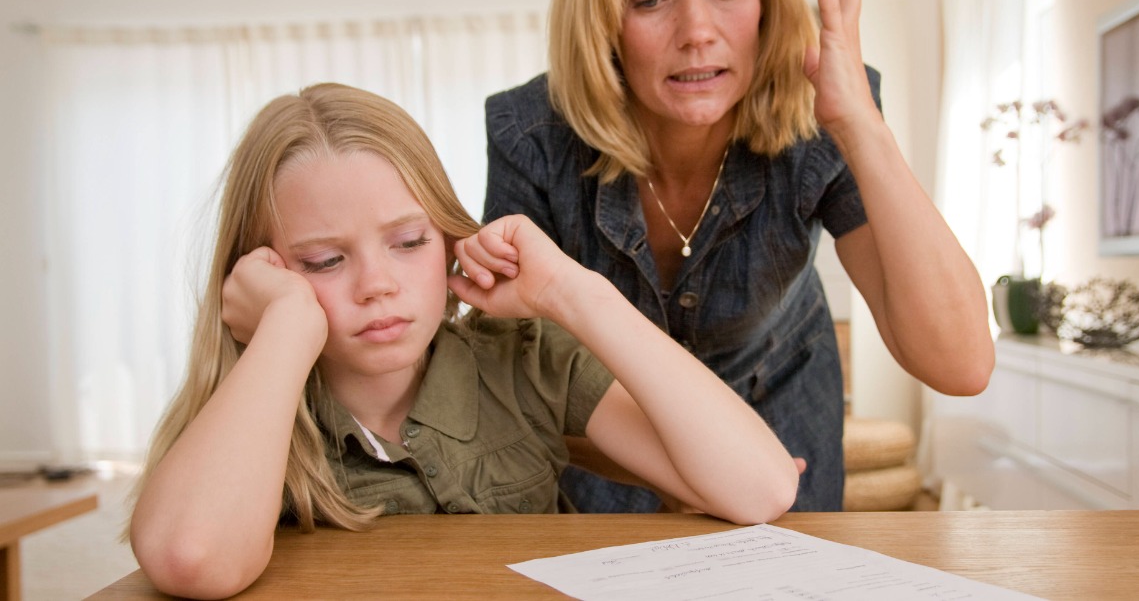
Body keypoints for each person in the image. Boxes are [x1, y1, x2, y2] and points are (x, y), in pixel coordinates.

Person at [127, 83, 799, 599]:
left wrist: (577, 293)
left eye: (408, 242)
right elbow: (192, 555)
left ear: (447, 240)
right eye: (325, 261)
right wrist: (284, 327)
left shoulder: (523, 360)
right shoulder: (253, 410)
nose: (377, 285)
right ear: (262, 274)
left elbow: (761, 487)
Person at [483, 0, 994, 514]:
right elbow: (515, 373)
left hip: (778, 426)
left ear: (767, 2)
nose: (698, 32)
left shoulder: (815, 115)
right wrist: (685, 472)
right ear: (601, 20)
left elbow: (962, 365)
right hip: (611, 441)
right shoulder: (530, 133)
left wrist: (860, 125)